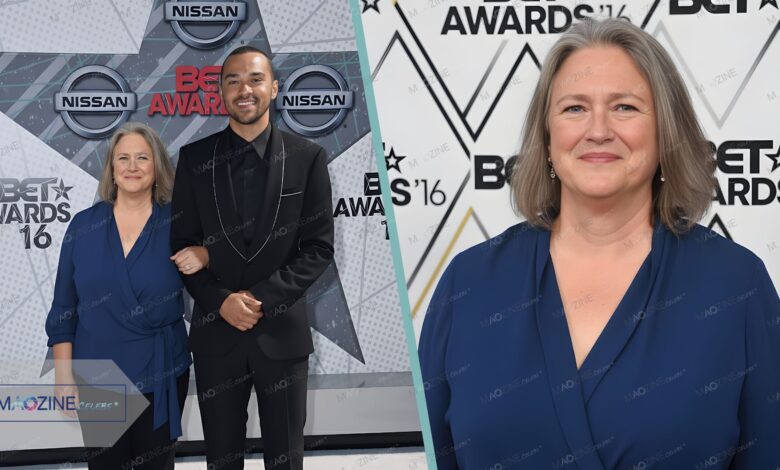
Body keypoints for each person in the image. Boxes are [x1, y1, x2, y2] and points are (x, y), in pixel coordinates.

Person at [419, 18, 780, 469]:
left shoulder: (735, 286)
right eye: (574, 109)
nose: (598, 130)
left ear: (665, 132)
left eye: (625, 107)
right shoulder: (468, 285)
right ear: (547, 139)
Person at [170, 45, 334, 470]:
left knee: (285, 459)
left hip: (282, 334)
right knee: (221, 459)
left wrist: (260, 299)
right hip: (215, 337)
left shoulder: (308, 157)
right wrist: (219, 301)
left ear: (274, 88)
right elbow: (183, 247)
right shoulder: (194, 159)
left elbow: (317, 249)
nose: (245, 89)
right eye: (233, 80)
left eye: (255, 79)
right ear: (221, 91)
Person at [46, 122, 209, 469]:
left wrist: (206, 255)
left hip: (161, 369)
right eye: (123, 158)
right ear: (112, 168)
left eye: (142, 158)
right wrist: (62, 376)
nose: (132, 166)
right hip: (99, 375)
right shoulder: (82, 226)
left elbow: (218, 269)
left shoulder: (179, 223)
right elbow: (64, 309)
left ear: (157, 166)